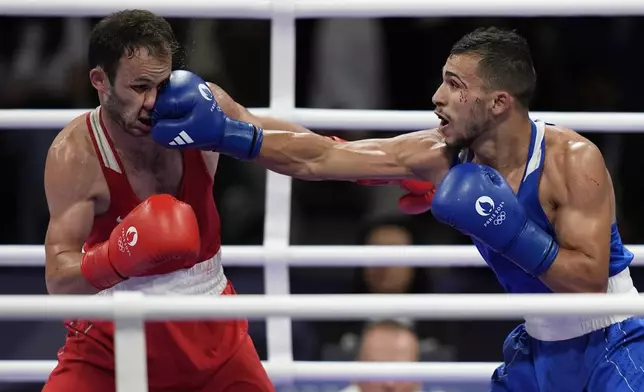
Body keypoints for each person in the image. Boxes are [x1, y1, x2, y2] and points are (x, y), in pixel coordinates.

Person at [151, 26, 644, 391]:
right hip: (539, 348)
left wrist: (507, 228)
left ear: (498, 103)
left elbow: (586, 281)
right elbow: (324, 157)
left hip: (613, 340)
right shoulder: (442, 155)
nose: (438, 97)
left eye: (455, 85)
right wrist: (235, 125)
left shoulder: (572, 160)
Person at [42, 9, 432, 392]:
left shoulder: (199, 107)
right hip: (108, 335)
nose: (153, 102)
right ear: (100, 81)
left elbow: (310, 154)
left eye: (161, 85)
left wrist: (395, 171)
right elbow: (59, 280)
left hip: (211, 330)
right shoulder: (77, 154)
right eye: (139, 88)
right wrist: (117, 256)